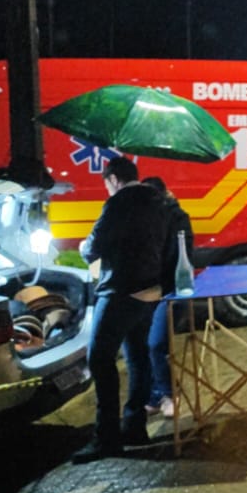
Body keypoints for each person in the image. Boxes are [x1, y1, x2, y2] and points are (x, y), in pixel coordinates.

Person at [72, 156, 172, 464]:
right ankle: (134, 426)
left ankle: (107, 438)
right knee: (137, 356)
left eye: (107, 186)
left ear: (113, 180)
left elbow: (94, 247)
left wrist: (82, 247)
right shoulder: (160, 200)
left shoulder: (118, 203)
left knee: (100, 358)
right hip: (151, 291)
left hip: (120, 291)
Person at [141, 174, 194, 418]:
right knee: (142, 345)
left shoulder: (177, 219)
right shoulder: (145, 220)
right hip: (149, 290)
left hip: (173, 289)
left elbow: (173, 259)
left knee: (156, 343)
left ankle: (170, 394)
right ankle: (155, 395)